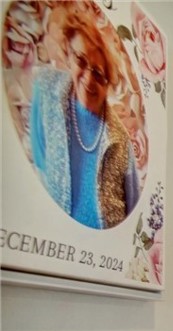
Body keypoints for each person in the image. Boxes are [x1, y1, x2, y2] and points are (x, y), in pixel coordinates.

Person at [29, 11, 139, 229]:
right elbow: (41, 161)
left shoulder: (121, 140)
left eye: (99, 74)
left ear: (108, 83)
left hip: (101, 255)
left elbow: (133, 210)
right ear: (69, 54)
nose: (88, 78)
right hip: (56, 238)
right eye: (81, 60)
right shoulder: (46, 91)